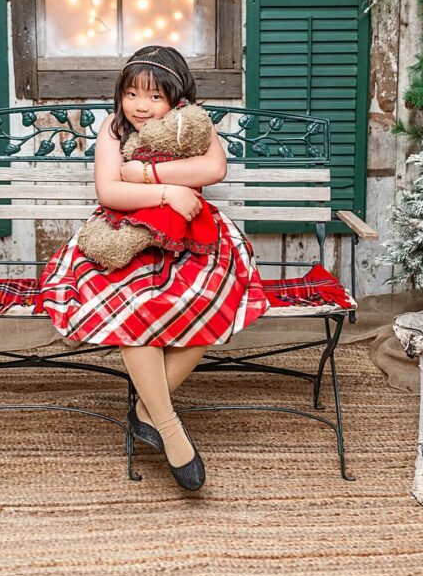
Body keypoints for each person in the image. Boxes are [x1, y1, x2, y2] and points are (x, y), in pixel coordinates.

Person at [39, 45, 269, 491]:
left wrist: (141, 175)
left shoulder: (192, 123)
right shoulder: (113, 128)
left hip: (192, 236)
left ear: (176, 97)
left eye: (154, 96)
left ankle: (145, 411)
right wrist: (168, 193)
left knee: (206, 298)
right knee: (133, 300)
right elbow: (109, 191)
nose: (141, 106)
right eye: (131, 94)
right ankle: (168, 425)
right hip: (124, 233)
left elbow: (214, 166)